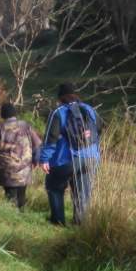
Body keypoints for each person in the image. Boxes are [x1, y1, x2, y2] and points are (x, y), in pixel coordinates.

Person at [39, 83, 102, 225]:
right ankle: (80, 224)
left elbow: (51, 137)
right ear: (75, 95)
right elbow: (99, 130)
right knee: (83, 192)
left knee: (54, 187)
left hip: (67, 160)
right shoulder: (90, 110)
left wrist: (44, 159)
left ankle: (58, 222)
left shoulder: (58, 112)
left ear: (60, 97)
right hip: (91, 158)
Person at [0, 102, 42, 209]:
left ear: (3, 114)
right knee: (22, 193)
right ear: (14, 113)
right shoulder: (26, 126)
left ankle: (12, 218)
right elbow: (37, 144)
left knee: (10, 195)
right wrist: (36, 160)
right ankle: (22, 214)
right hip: (24, 169)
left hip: (7, 170)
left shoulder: (0, 128)